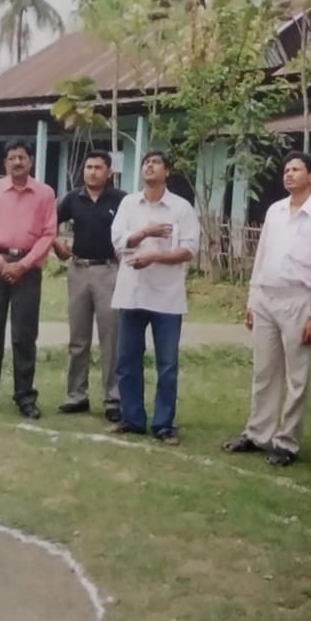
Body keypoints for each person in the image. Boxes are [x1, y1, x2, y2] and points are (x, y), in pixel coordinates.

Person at [223, 151, 311, 466]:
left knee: (296, 376)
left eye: (296, 169)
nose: (288, 174)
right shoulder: (275, 211)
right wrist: (252, 299)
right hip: (266, 296)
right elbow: (261, 257)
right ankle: (258, 433)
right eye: (286, 169)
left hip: (298, 300)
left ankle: (287, 442)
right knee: (264, 371)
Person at [108, 150, 199, 445]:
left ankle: (164, 424)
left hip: (167, 297)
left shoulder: (181, 208)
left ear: (167, 171)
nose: (149, 165)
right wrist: (145, 232)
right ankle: (133, 419)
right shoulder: (128, 203)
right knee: (127, 360)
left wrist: (155, 257)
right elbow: (118, 241)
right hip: (131, 292)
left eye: (156, 162)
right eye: (146, 162)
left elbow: (189, 249)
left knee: (167, 364)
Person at [0, 139, 57, 419]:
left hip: (28, 269)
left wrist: (23, 265)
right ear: (5, 162)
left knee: (24, 335)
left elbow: (49, 233)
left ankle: (25, 397)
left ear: (30, 161)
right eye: (12, 158)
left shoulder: (45, 194)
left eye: (22, 157)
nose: (17, 162)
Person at [53, 149, 126, 422]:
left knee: (111, 338)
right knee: (78, 338)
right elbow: (48, 222)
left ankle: (113, 398)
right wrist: (56, 244)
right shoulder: (73, 198)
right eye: (88, 167)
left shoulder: (121, 200)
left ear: (109, 172)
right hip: (78, 270)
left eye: (98, 167)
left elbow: (132, 230)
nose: (92, 172)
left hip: (109, 270)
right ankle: (76, 395)